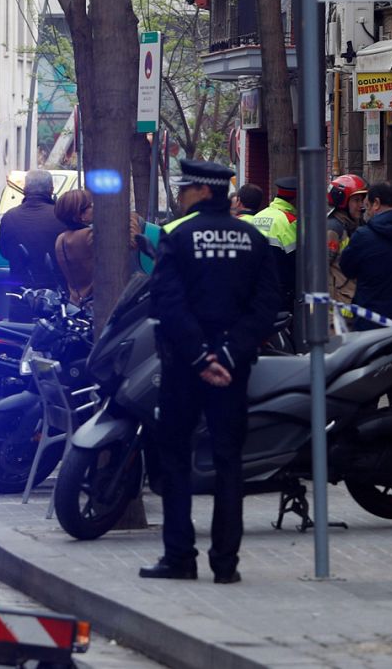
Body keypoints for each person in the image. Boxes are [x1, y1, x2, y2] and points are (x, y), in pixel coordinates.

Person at [141, 159, 280, 584]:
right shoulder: (253, 238)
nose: (180, 195)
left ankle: (179, 557)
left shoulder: (177, 236)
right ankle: (226, 564)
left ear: (202, 192)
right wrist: (229, 355)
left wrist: (200, 357)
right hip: (232, 369)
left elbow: (167, 301)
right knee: (228, 462)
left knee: (176, 459)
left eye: (185, 189)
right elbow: (265, 304)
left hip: (185, 367)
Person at [338, 182, 392, 326]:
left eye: (367, 206)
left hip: (371, 324)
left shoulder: (363, 236)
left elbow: (347, 269)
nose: (367, 212)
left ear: (376, 203)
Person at [0, 169, 68, 289]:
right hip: (57, 293)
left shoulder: (9, 217)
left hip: (20, 291)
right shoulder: (62, 216)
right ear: (51, 189)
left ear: (25, 189)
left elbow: (4, 251)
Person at [248, 177, 299, 313]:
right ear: (295, 200)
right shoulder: (290, 221)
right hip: (281, 290)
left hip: (256, 287)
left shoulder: (258, 216)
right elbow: (296, 260)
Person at [327, 174, 369, 304]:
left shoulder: (359, 225)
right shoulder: (333, 229)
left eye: (362, 200)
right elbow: (321, 269)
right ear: (342, 202)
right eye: (356, 200)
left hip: (355, 298)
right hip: (338, 304)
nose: (361, 206)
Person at [52, 189, 95, 307]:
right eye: (90, 206)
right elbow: (131, 242)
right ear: (81, 215)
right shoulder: (90, 235)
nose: (94, 208)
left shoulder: (61, 239)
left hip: (75, 303)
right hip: (95, 304)